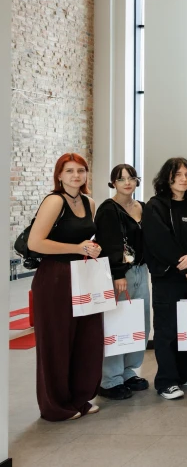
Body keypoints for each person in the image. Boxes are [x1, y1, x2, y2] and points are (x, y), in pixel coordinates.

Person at [27, 153, 103, 420]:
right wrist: (77, 247)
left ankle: (78, 398)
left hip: (82, 274)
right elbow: (35, 243)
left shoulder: (89, 202)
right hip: (55, 278)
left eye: (81, 170)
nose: (76, 176)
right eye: (69, 171)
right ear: (59, 175)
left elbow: (85, 238)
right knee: (56, 342)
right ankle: (55, 406)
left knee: (86, 340)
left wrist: (91, 247)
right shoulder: (54, 201)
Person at [142, 158, 187, 400]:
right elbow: (160, 242)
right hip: (168, 278)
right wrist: (185, 269)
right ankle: (166, 381)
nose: (183, 178)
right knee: (167, 330)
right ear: (167, 178)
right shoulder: (155, 207)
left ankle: (186, 372)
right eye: (178, 174)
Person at [95, 164, 150, 400]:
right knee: (117, 325)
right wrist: (118, 274)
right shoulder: (108, 209)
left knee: (138, 324)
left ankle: (129, 372)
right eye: (121, 179)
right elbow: (109, 244)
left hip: (141, 270)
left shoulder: (143, 207)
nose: (127, 182)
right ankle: (110, 379)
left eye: (131, 178)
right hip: (121, 275)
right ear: (113, 183)